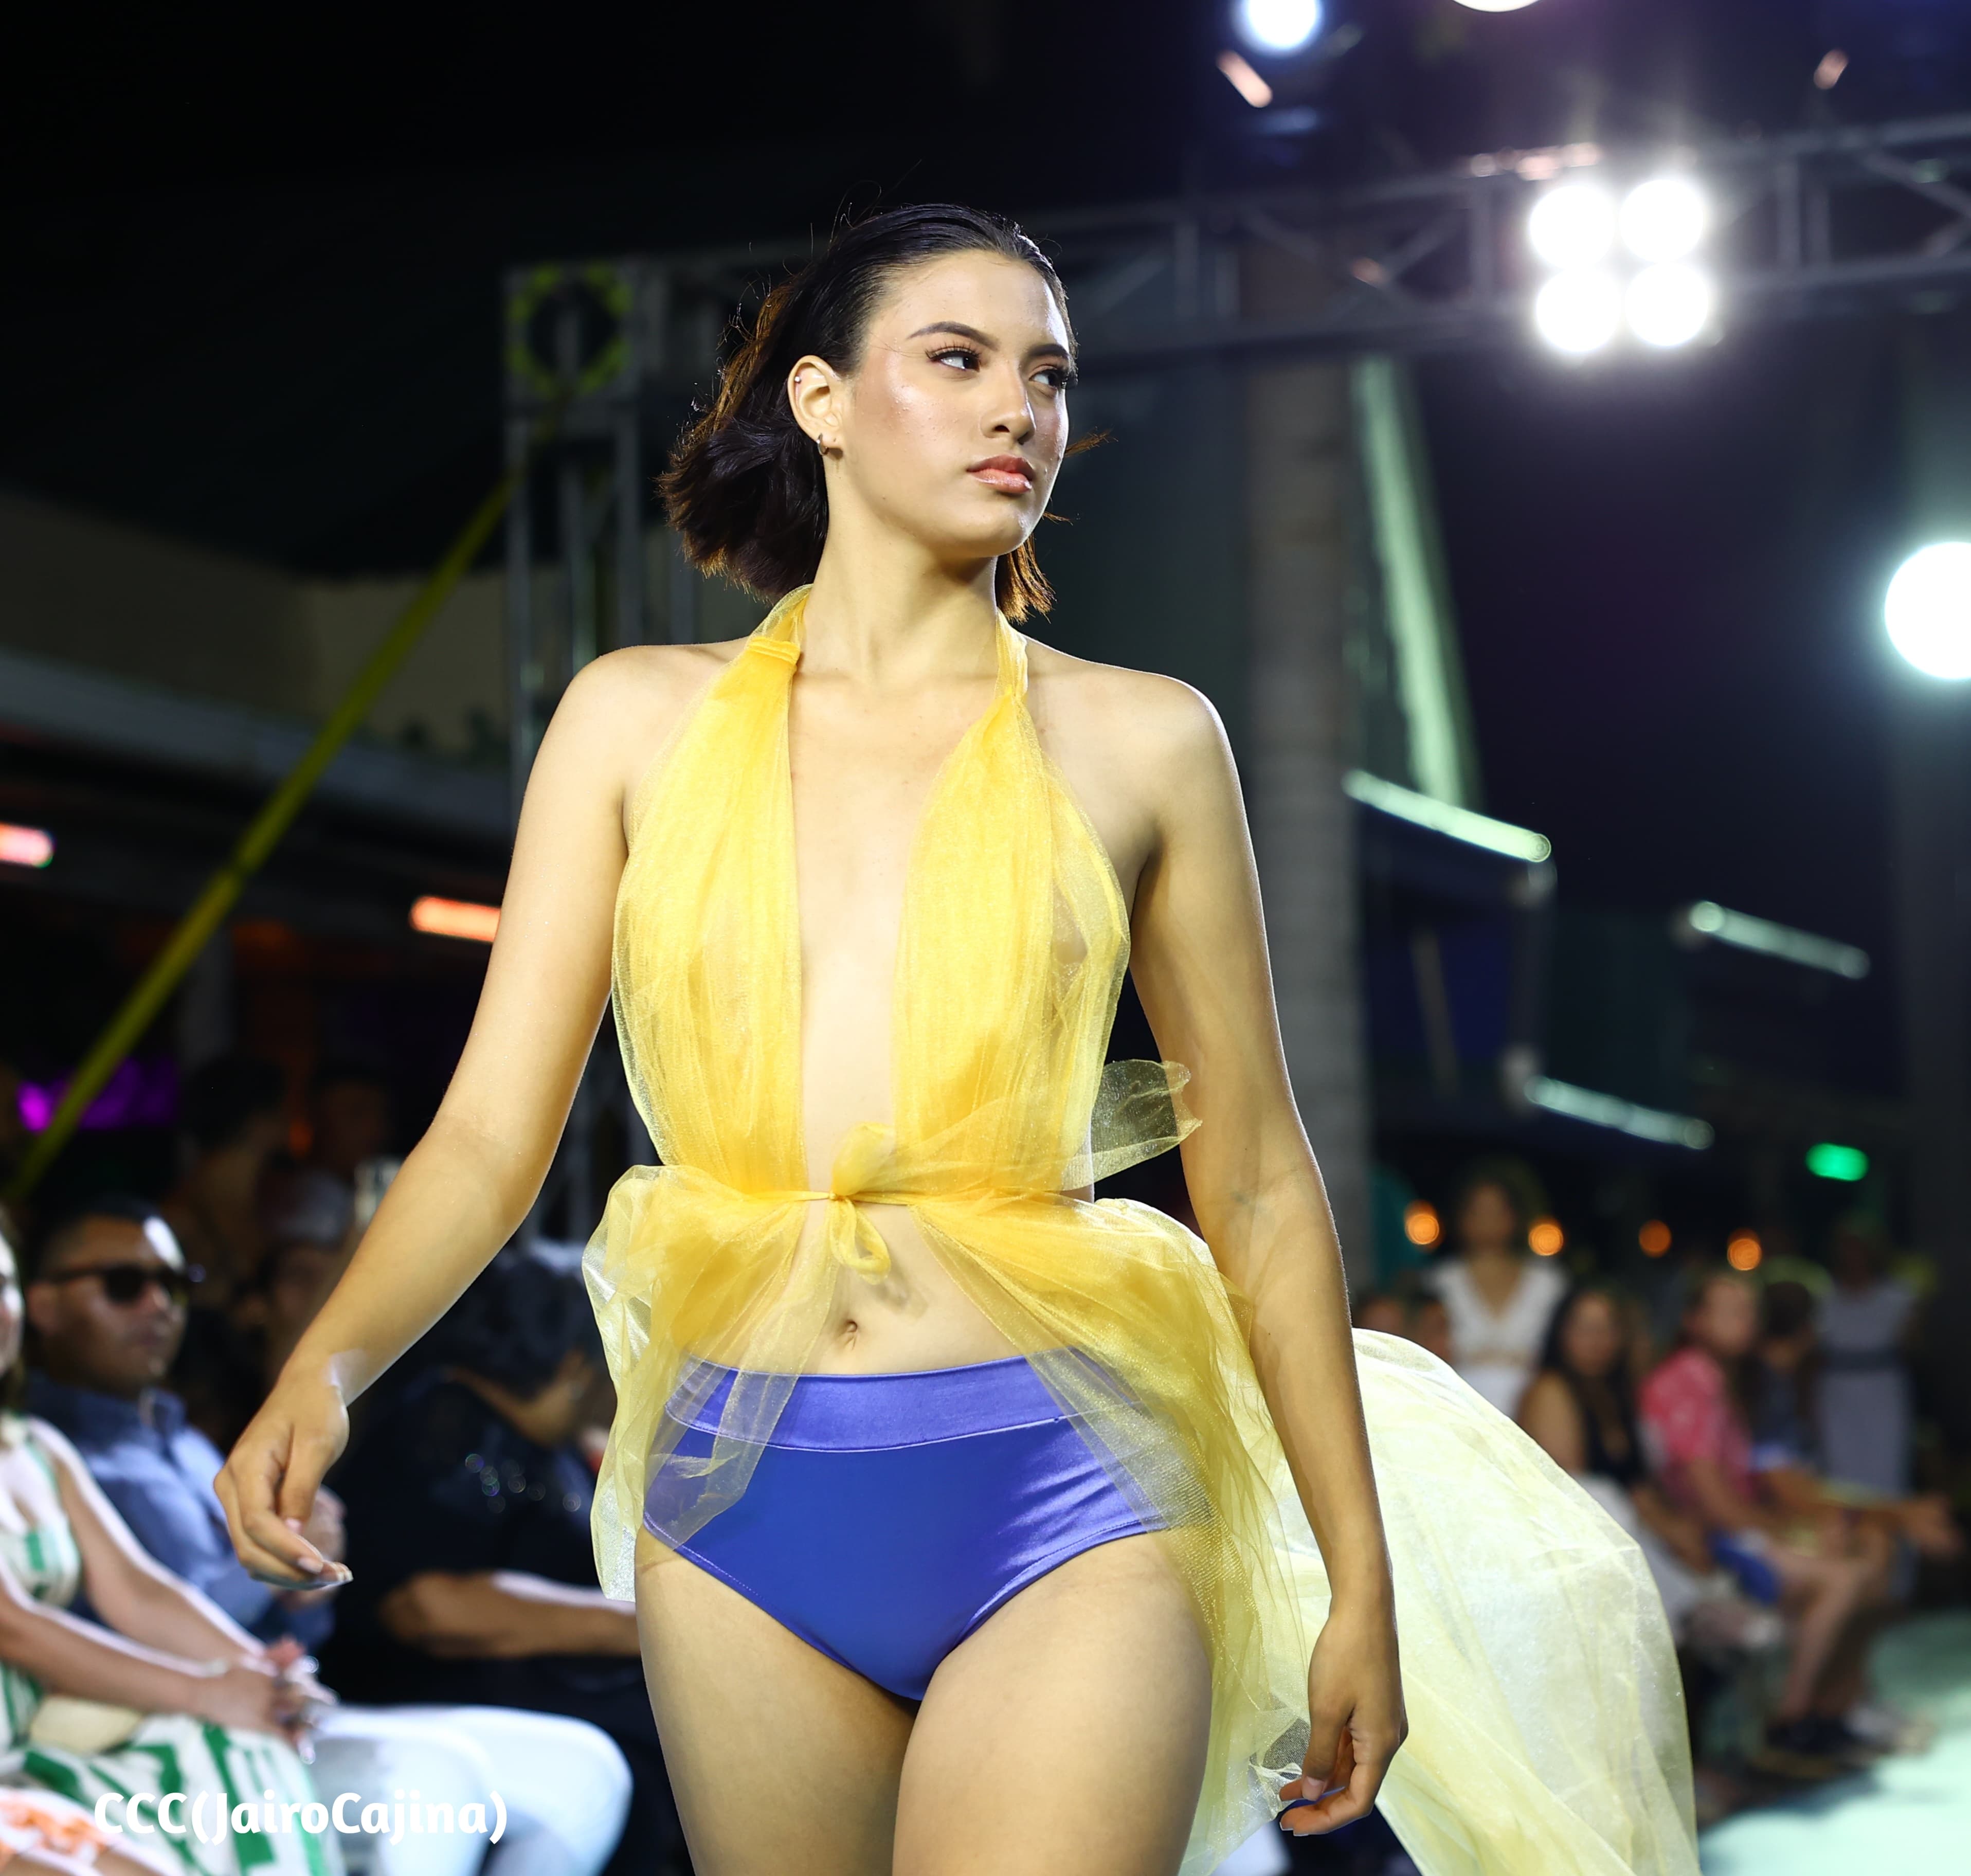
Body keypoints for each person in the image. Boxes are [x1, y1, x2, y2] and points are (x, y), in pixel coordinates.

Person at [218, 205, 1693, 1876]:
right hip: (739, 1497)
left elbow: (1258, 1181)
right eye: (959, 359)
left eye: (1048, 376)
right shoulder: (633, 717)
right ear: (821, 401)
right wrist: (322, 1367)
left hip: (1067, 1485)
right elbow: (493, 1132)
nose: (1020, 409)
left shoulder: (1144, 737)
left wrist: (1359, 1577)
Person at [22, 1195, 637, 1876]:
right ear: (41, 1305)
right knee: (433, 1782)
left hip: (270, 1695)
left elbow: (230, 1612)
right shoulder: (64, 1449)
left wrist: (301, 1585)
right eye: (124, 1284)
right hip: (143, 1717)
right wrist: (263, 1588)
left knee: (588, 1775)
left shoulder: (172, 1440)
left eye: (174, 1283)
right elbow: (125, 1619)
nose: (158, 1306)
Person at [323, 1255, 684, 1876]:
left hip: (521, 1682)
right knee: (656, 1739)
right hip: (420, 1689)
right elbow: (427, 1606)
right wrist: (639, 1627)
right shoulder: (450, 1426)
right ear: (574, 1365)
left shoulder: (532, 1437)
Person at [0, 1213, 333, 1875]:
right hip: (26, 1762)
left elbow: (138, 1591)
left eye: (1, 1283)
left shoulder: (36, 1446)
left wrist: (263, 1675)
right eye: (127, 1284)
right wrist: (207, 1692)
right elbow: (14, 1627)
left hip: (32, 1745)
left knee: (248, 1746)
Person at [1637, 1269, 1923, 1768]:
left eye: (1749, 1311)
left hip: (1734, 1527)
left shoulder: (1726, 1378)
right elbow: (1710, 1501)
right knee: (1845, 1579)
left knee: (1869, 1553)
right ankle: (1791, 1721)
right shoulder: (1688, 1382)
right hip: (1708, 1539)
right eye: (1731, 1311)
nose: (1745, 1322)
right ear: (1693, 1320)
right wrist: (1787, 1533)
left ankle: (1831, 1709)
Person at [1424, 1162, 1567, 1418]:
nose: (1487, 1222)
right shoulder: (1440, 1282)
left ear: (1516, 1216)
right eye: (1478, 1212)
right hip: (1456, 1414)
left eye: (1497, 1212)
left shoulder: (1548, 1282)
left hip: (1540, 1417)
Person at [1816, 1213, 1919, 1497]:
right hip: (1836, 1395)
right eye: (1846, 1247)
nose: (1853, 1255)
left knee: (1886, 1471)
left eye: (1859, 1247)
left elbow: (1916, 1350)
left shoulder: (1899, 1297)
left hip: (1883, 1394)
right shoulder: (1823, 1297)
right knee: (1840, 1475)